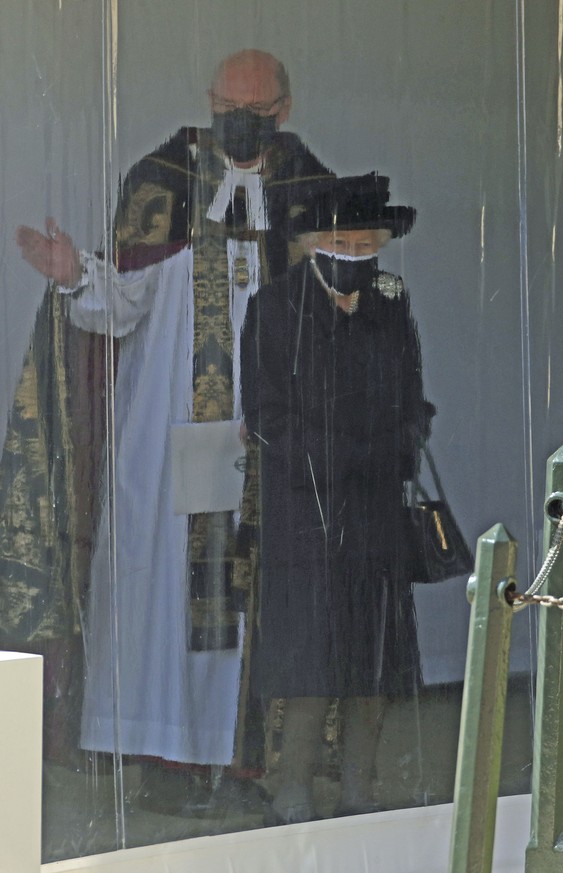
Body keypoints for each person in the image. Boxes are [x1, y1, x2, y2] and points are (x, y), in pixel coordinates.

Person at [15, 50, 333, 798]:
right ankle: (164, 757)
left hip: (262, 440)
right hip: (166, 435)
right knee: (163, 595)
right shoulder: (165, 183)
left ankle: (239, 758)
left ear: (283, 110)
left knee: (241, 609)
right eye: (225, 103)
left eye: (253, 108)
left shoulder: (311, 193)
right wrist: (75, 275)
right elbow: (120, 308)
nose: (236, 119)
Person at [241, 174, 434, 824]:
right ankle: (290, 784)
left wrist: (400, 439)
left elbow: (412, 390)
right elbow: (266, 413)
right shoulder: (273, 307)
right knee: (310, 657)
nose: (353, 253)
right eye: (341, 241)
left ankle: (360, 788)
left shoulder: (390, 298)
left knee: (373, 658)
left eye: (364, 243)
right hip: (308, 511)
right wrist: (340, 456)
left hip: (378, 507)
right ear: (314, 243)